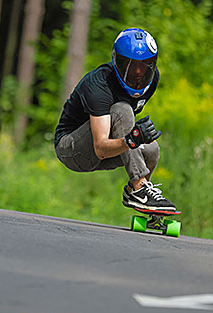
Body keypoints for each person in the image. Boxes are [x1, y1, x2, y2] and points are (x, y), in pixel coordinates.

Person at [54, 28, 176, 211]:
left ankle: (137, 195)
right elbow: (101, 148)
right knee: (122, 109)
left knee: (152, 149)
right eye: (129, 65)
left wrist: (134, 139)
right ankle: (140, 186)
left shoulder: (153, 81)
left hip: (105, 147)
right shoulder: (99, 85)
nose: (137, 73)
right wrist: (131, 139)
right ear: (116, 61)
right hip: (72, 149)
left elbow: (121, 131)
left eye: (144, 66)